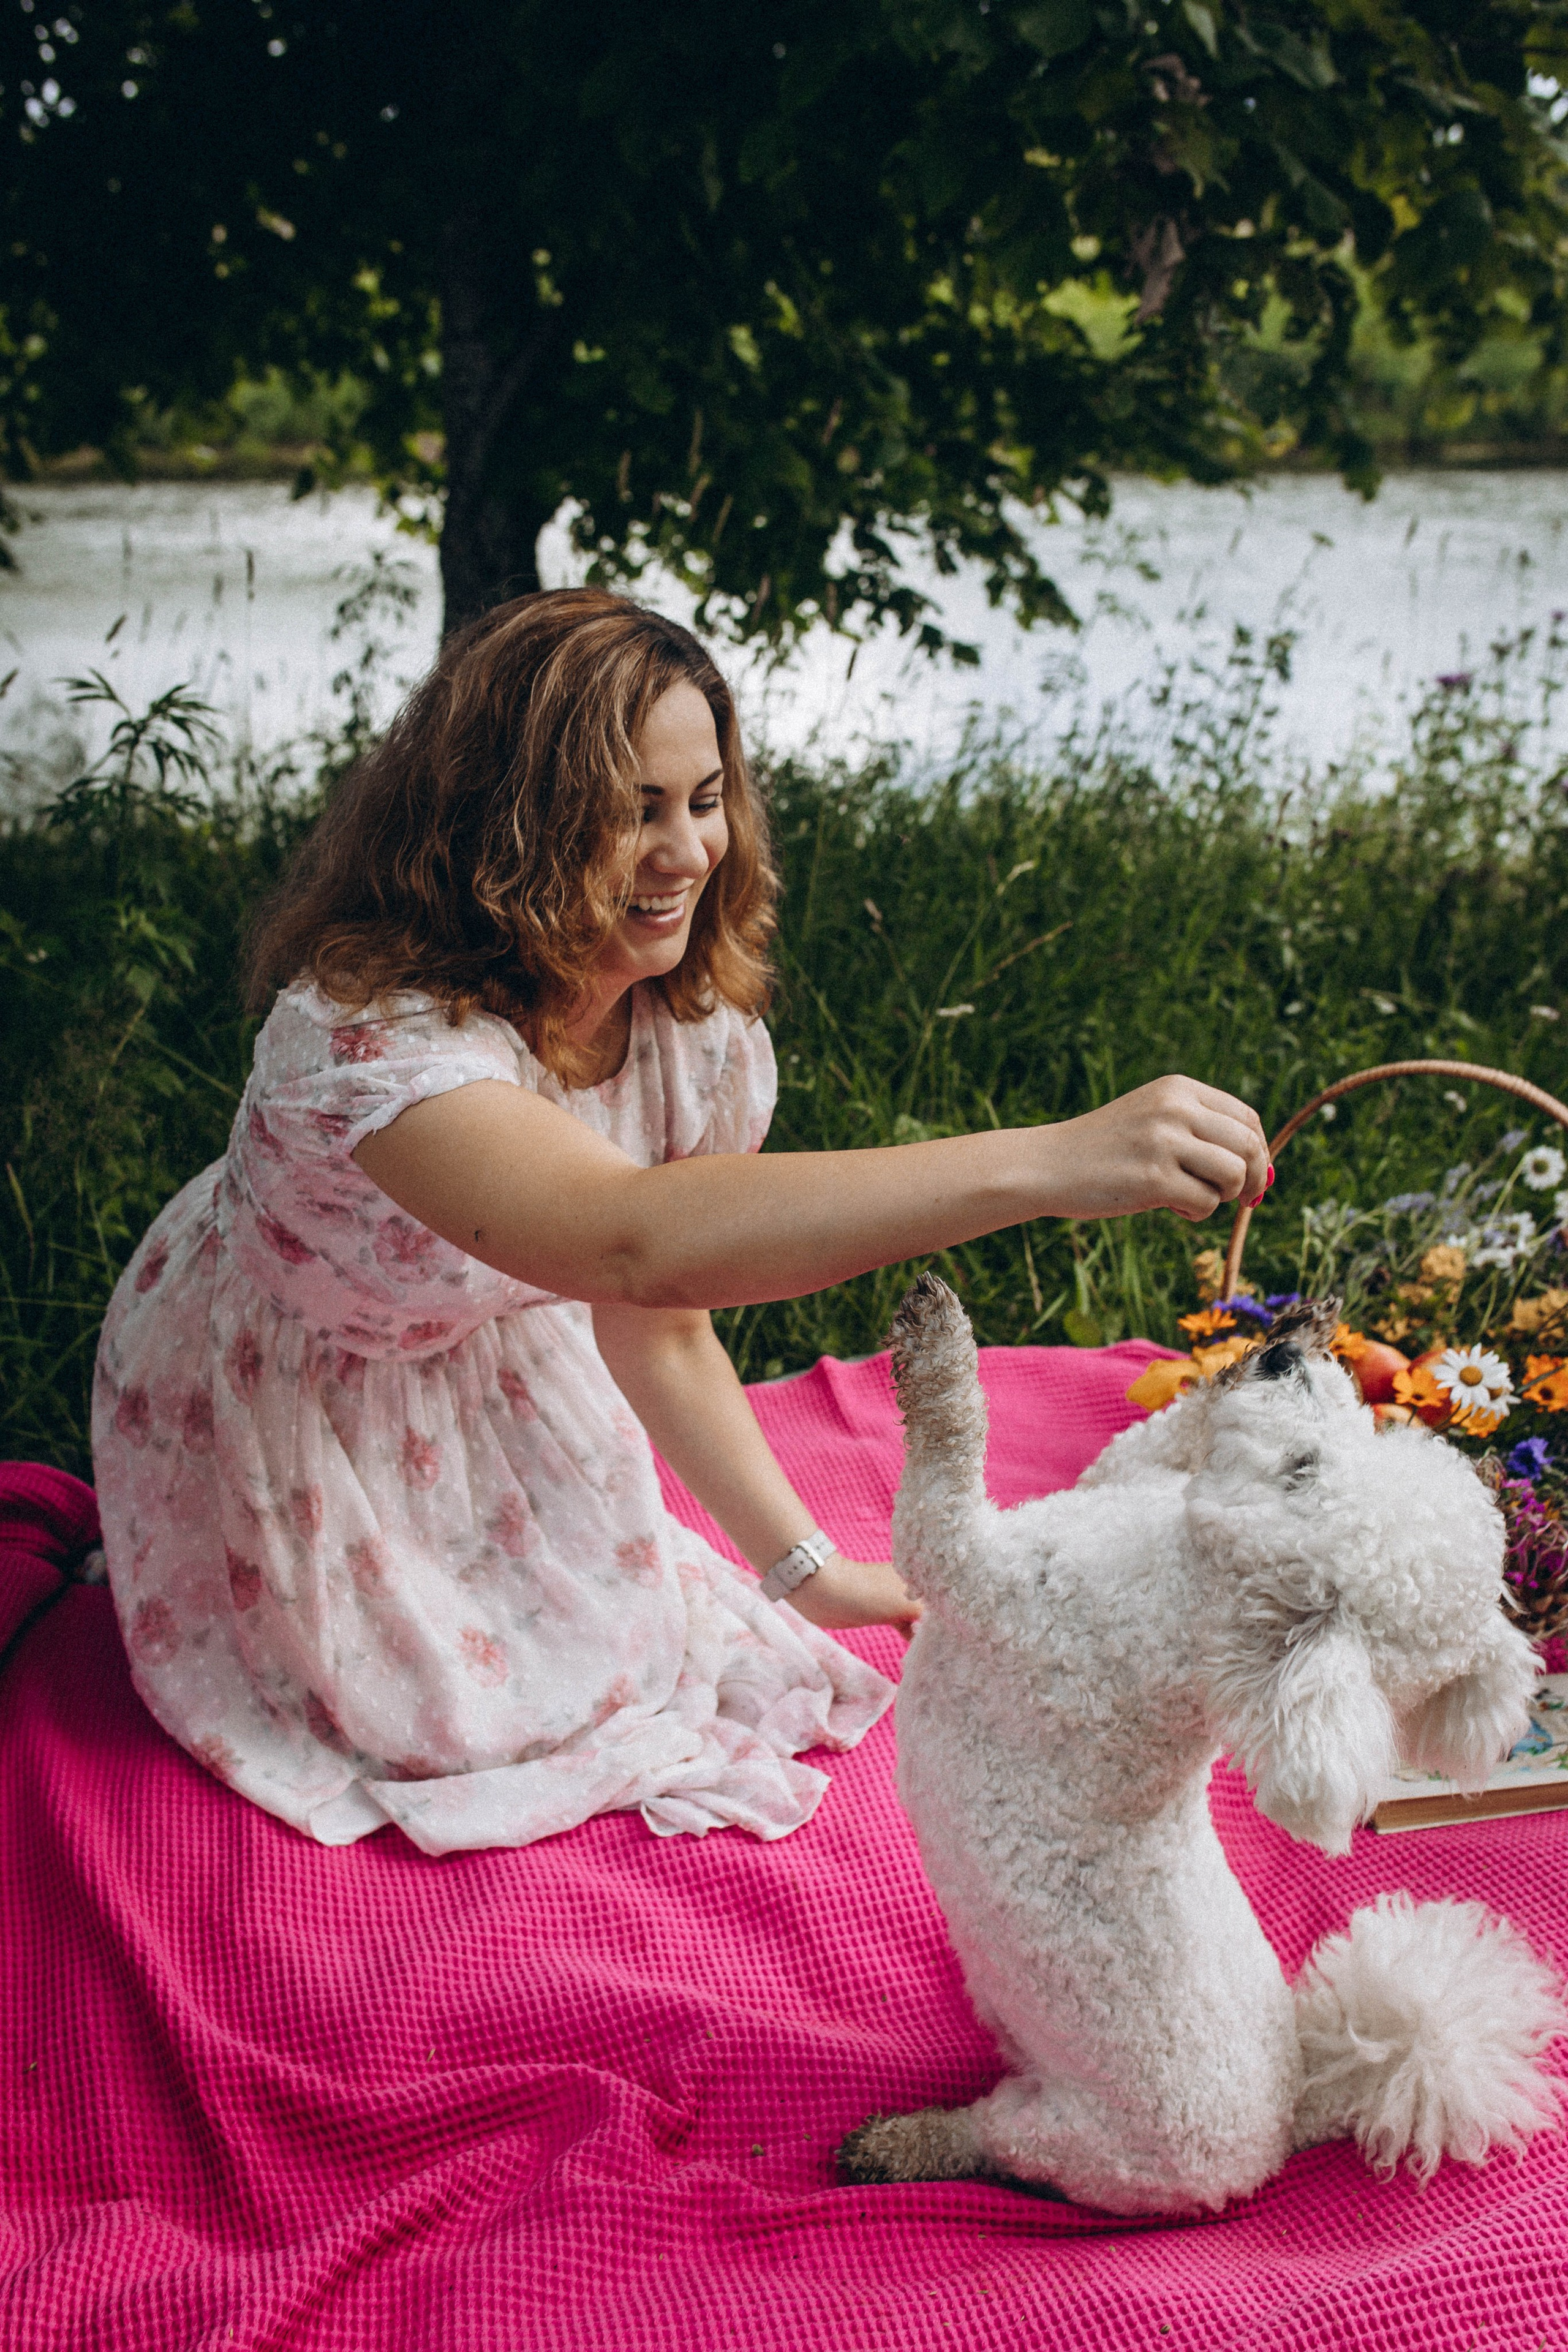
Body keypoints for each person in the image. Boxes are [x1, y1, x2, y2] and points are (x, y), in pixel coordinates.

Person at [91, 589, 1268, 1858]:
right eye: (627, 812)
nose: (682, 852)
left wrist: (813, 1576)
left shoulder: (686, 1039)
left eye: (701, 799)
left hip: (491, 1352)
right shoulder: (367, 1045)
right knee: (446, 1728)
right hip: (299, 1390)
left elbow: (655, 1325)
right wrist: (1043, 1161)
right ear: (506, 827)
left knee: (629, 1655)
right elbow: (629, 1239)